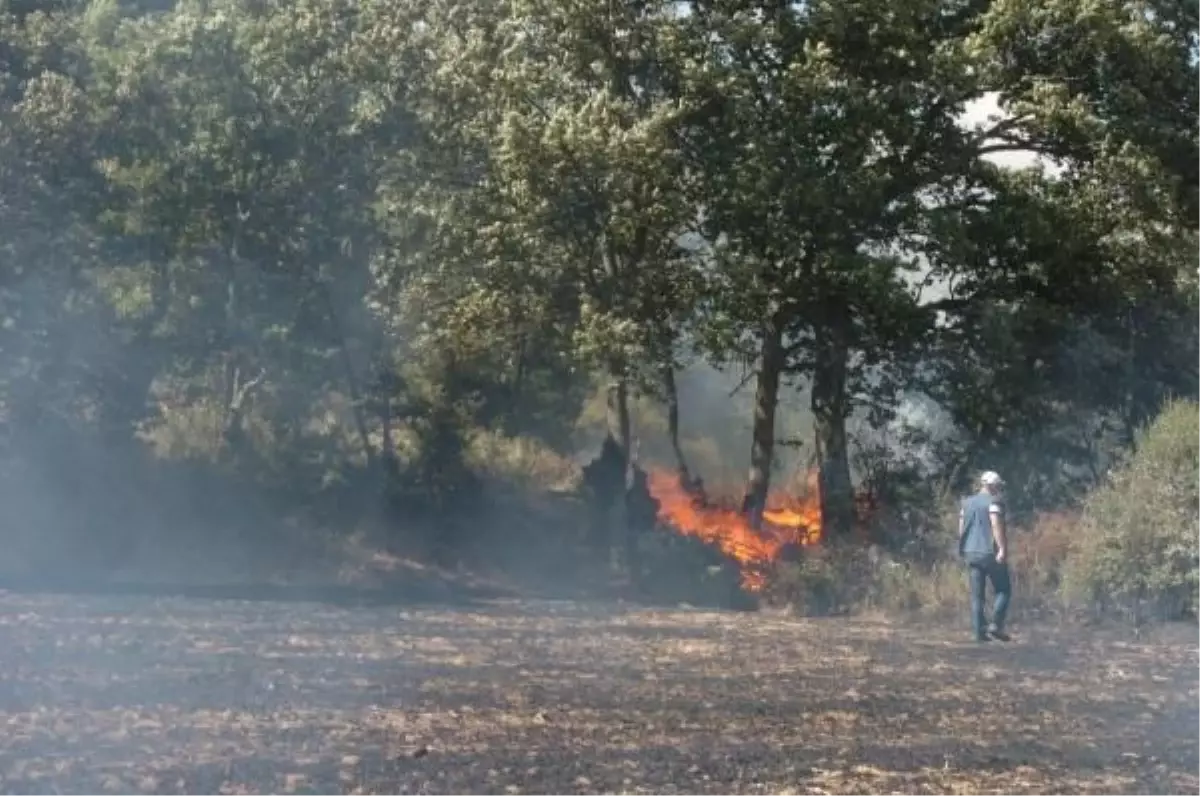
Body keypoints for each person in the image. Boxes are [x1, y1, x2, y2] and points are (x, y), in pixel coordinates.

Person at [958, 470, 1012, 642]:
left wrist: (964, 548)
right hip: (989, 552)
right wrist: (1002, 548)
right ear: (992, 485)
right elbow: (995, 525)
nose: (999, 488)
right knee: (1004, 590)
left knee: (977, 596)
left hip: (970, 552)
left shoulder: (966, 503)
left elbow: (961, 529)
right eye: (998, 485)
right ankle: (995, 625)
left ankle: (978, 634)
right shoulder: (994, 502)